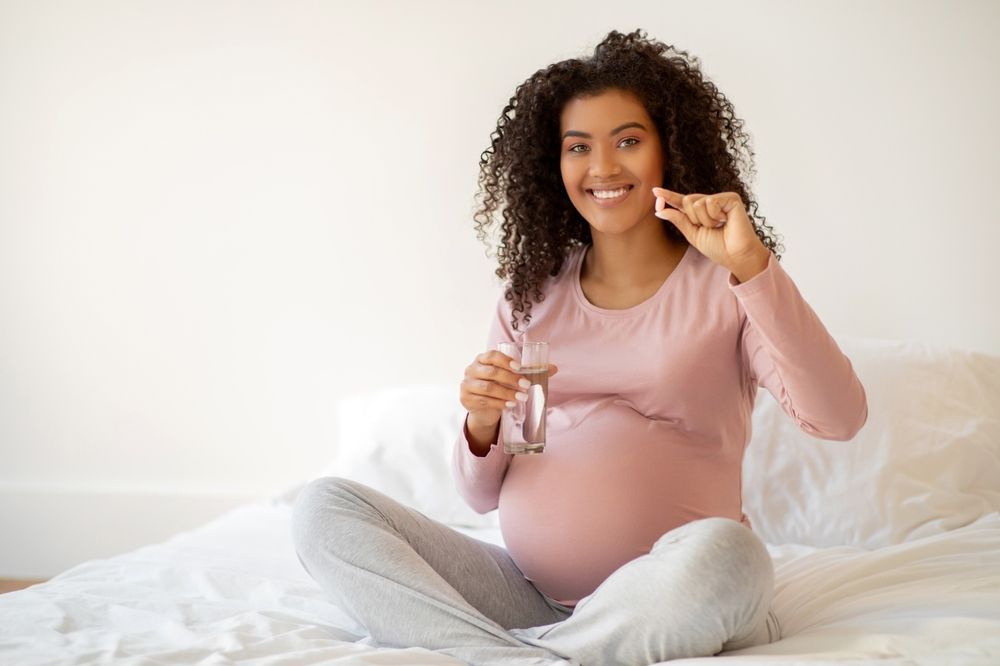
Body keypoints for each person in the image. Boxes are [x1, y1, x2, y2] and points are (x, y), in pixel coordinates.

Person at [292, 28, 868, 666]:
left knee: (729, 557)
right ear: (553, 165)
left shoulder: (728, 285)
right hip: (529, 596)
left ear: (669, 150)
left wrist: (755, 269)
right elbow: (483, 493)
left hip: (672, 587)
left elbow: (839, 417)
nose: (602, 167)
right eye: (578, 147)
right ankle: (525, 656)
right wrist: (481, 424)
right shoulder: (532, 294)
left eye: (628, 140)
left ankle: (521, 656)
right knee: (325, 506)